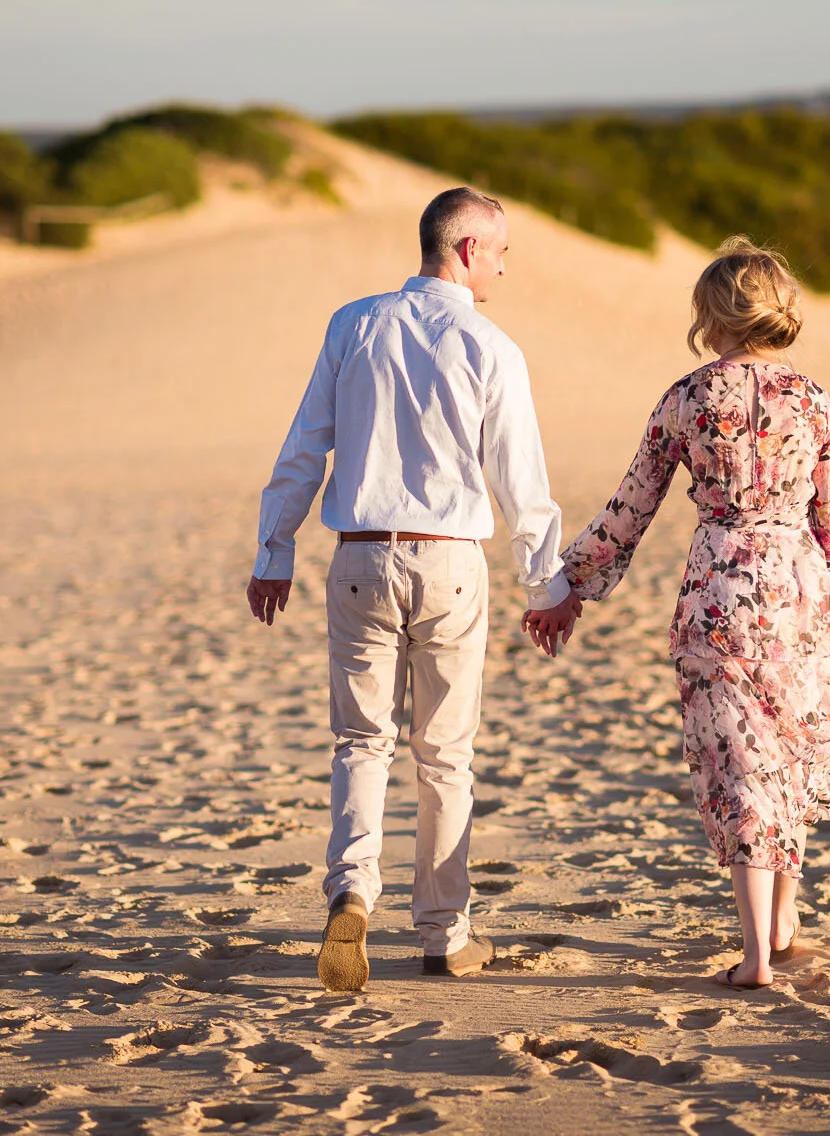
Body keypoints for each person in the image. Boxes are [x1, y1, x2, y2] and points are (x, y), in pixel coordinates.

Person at [247, 186, 584, 993]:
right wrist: (547, 585)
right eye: (500, 249)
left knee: (361, 742)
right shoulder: (491, 344)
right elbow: (522, 482)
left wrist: (273, 548)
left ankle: (352, 893)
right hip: (450, 565)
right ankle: (445, 933)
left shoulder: (353, 323)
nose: (505, 264)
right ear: (466, 248)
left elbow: (305, 448)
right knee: (445, 756)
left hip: (360, 555)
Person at [547, 237, 830, 989]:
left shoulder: (690, 396)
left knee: (739, 764)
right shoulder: (814, 399)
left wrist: (571, 583)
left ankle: (759, 953)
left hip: (719, 595)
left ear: (713, 311)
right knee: (792, 751)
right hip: (800, 596)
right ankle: (783, 919)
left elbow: (633, 502)